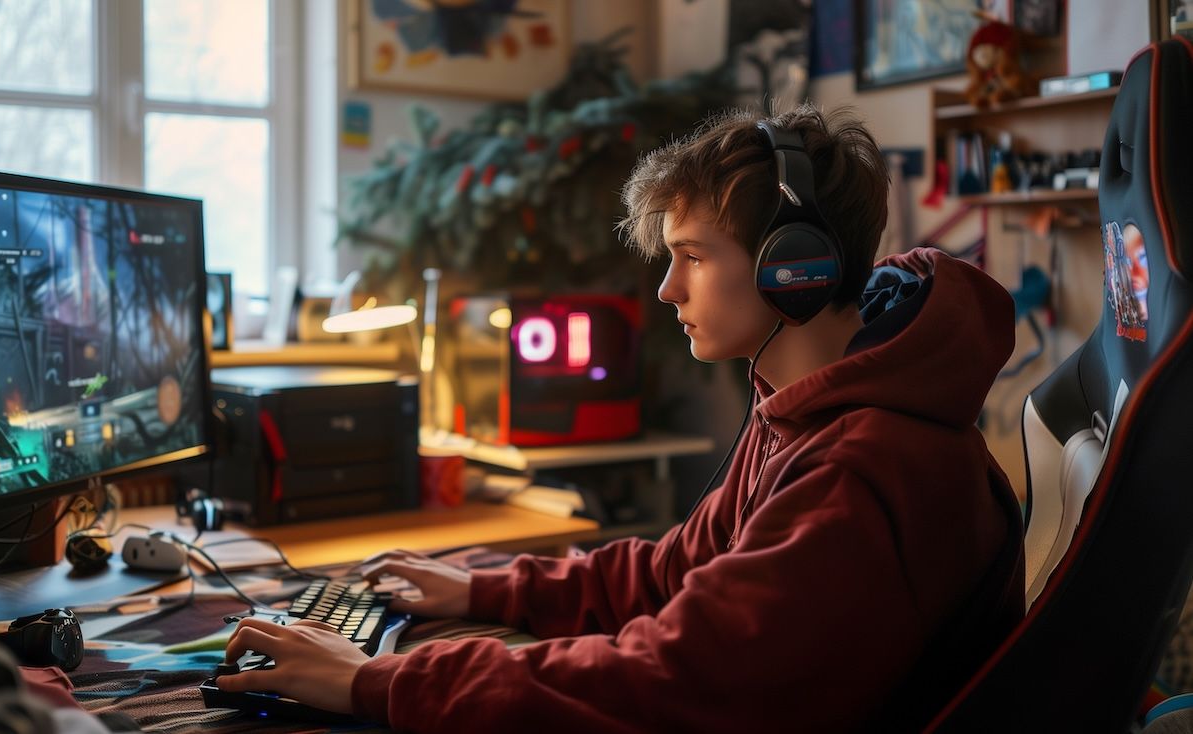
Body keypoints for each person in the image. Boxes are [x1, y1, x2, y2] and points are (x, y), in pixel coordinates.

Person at [218, 104, 1025, 732]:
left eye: (695, 257)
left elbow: (666, 682)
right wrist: (490, 590)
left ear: (796, 268)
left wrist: (372, 681)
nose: (669, 290)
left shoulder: (859, 467)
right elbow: (678, 571)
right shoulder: (810, 408)